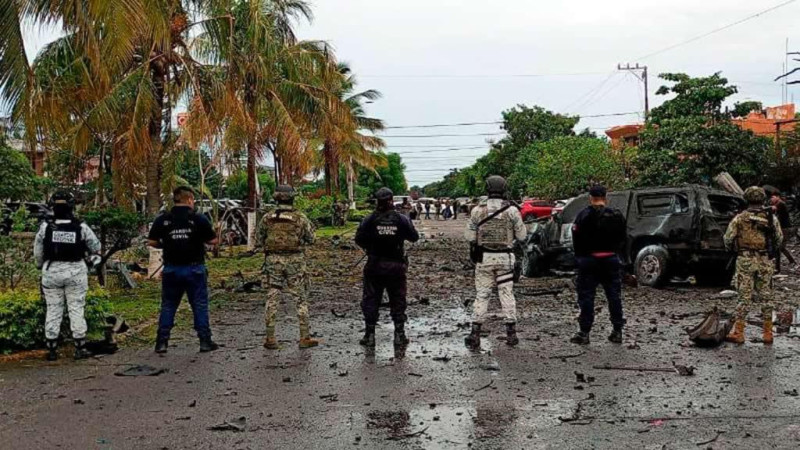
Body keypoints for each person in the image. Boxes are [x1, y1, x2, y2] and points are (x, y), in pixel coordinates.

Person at [148, 186, 219, 353]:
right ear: (189, 200)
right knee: (199, 305)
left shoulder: (163, 219)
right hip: (194, 269)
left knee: (168, 305)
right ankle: (205, 341)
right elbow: (213, 241)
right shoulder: (198, 219)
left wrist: (166, 244)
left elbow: (151, 241)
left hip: (171, 269)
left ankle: (161, 342)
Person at [34, 191, 102, 361]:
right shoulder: (81, 227)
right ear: (72, 207)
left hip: (51, 271)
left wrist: (41, 266)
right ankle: (79, 347)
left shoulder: (46, 227)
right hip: (76, 271)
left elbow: (38, 253)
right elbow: (96, 247)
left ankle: (51, 349)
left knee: (53, 309)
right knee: (76, 308)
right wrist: (91, 263)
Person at [464, 176, 526, 350]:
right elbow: (522, 236)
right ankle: (511, 334)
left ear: (487, 189)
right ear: (504, 189)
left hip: (484, 259)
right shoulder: (512, 211)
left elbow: (469, 237)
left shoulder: (477, 211)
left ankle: (475, 334)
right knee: (506, 293)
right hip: (505, 258)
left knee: (482, 295)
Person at [355, 187, 419, 348]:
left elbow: (359, 239)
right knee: (398, 299)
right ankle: (399, 335)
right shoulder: (402, 219)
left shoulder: (369, 219)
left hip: (374, 265)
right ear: (391, 200)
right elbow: (414, 237)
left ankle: (369, 335)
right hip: (396, 266)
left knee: (371, 299)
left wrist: (371, 247)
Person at [258, 185, 319, 350]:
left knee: (272, 297)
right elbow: (311, 238)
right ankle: (304, 337)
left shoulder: (267, 218)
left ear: (276, 198)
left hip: (272, 260)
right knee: (300, 298)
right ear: (293, 198)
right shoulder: (300, 218)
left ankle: (270, 338)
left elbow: (259, 239)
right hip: (295, 261)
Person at [724, 186, 784, 345]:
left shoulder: (739, 218)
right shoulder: (771, 218)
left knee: (744, 296)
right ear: (763, 199)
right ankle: (768, 333)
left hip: (745, 260)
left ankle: (739, 333)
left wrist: (733, 250)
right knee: (767, 296)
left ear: (746, 199)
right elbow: (779, 239)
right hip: (765, 260)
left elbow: (728, 239)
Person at [569, 185, 628, 345]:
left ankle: (584, 332)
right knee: (614, 296)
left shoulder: (583, 216)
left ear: (590, 197)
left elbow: (576, 240)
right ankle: (617, 331)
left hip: (589, 261)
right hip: (611, 260)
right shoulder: (616, 216)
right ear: (605, 197)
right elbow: (623, 239)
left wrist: (579, 260)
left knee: (587, 297)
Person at [769, 191, 795, 272]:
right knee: (781, 248)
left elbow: (774, 209)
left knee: (779, 248)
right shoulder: (779, 204)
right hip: (783, 228)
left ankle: (778, 268)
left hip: (784, 228)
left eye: (772, 197)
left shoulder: (781, 203)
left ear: (777, 197)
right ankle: (791, 261)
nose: (771, 199)